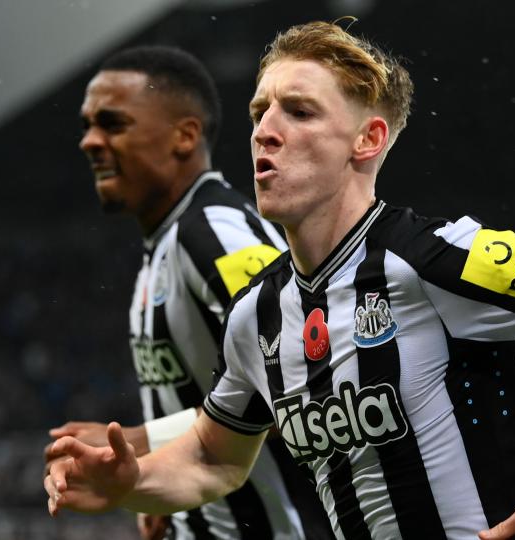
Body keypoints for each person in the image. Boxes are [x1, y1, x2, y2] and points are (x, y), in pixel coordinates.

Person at [44, 21, 515, 539]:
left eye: (298, 111)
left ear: (367, 140)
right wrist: (129, 481)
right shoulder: (256, 316)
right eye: (259, 111)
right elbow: (213, 458)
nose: (266, 130)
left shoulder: (435, 256)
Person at [45, 45, 333, 540]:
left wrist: (142, 443)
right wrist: (163, 498)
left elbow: (305, 369)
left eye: (112, 124)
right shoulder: (166, 242)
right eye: (88, 124)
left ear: (184, 136)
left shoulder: (213, 232)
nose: (89, 142)